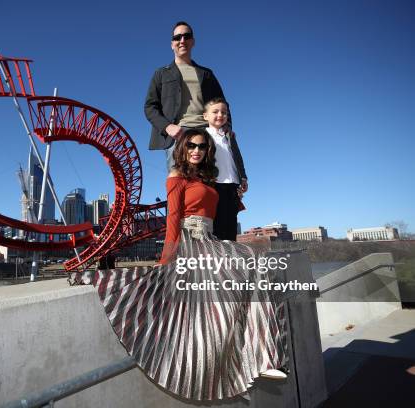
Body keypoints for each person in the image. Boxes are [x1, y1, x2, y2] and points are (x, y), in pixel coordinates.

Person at [80, 129, 287, 401]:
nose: (196, 150)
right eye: (191, 145)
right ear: (182, 147)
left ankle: (263, 357)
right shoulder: (176, 176)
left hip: (210, 239)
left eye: (202, 146)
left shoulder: (207, 178)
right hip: (190, 242)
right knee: (246, 267)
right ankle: (248, 360)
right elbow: (173, 218)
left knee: (255, 264)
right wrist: (168, 259)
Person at [144, 21, 229, 172]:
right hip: (178, 135)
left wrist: (227, 129)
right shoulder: (161, 74)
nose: (182, 40)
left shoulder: (207, 74)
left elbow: (222, 104)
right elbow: (150, 107)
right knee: (179, 186)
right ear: (172, 44)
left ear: (193, 41)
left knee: (209, 185)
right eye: (177, 37)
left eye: (186, 36)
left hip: (206, 132)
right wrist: (167, 127)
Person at [203, 97, 248, 241]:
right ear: (205, 116)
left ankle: (230, 259)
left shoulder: (230, 135)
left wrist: (243, 177)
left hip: (232, 185)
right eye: (215, 112)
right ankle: (217, 260)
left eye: (224, 112)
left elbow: (238, 158)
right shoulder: (203, 136)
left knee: (231, 225)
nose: (220, 115)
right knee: (217, 226)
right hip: (214, 185)